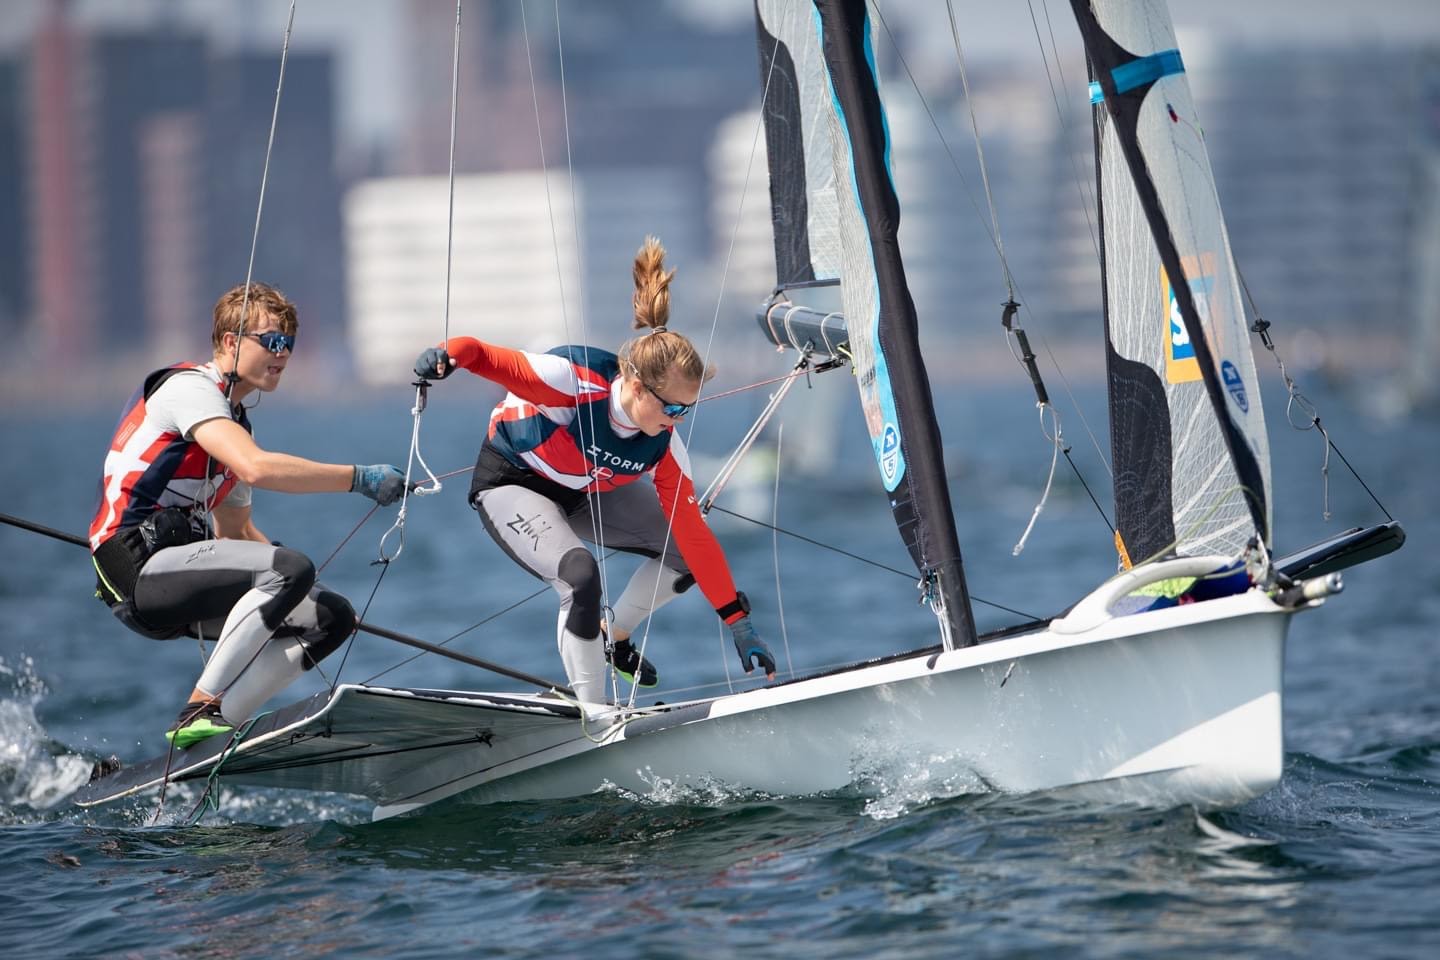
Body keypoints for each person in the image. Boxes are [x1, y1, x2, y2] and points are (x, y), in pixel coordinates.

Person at [414, 236, 776, 709]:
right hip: (514, 482)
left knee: (684, 553)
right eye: (672, 407)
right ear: (637, 387)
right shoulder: (568, 380)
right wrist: (444, 355)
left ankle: (614, 636)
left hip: (586, 490)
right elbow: (480, 353)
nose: (678, 420)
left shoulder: (665, 444)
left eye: (687, 409)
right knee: (580, 578)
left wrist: (738, 623)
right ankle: (594, 711)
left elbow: (694, 536)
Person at [89, 282, 407, 749]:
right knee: (290, 569)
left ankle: (207, 739)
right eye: (271, 341)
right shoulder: (190, 389)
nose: (283, 353)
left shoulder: (233, 424)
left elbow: (235, 531)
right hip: (132, 569)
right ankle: (200, 708)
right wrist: (360, 478)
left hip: (178, 578)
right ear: (230, 341)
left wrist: (302, 590)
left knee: (331, 616)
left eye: (289, 343)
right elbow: (256, 467)